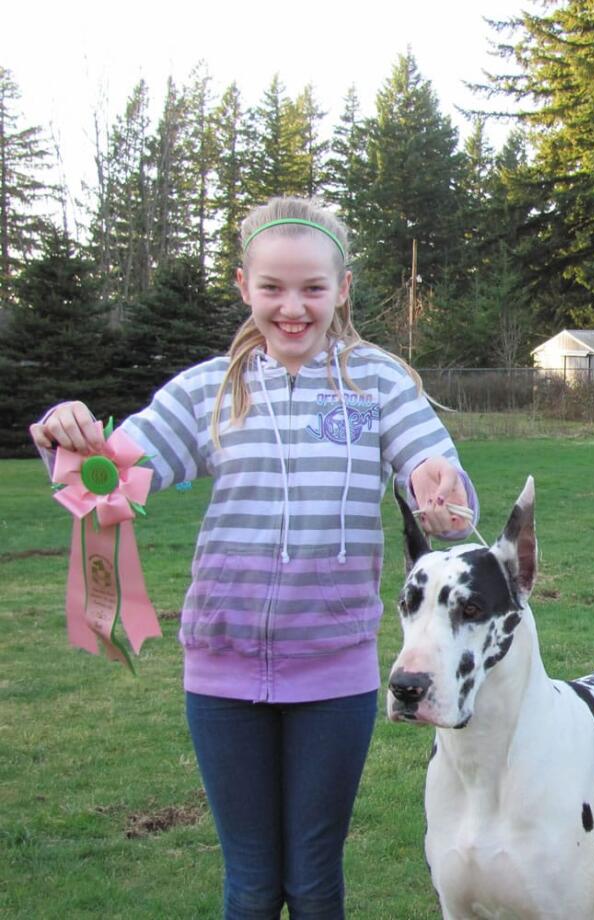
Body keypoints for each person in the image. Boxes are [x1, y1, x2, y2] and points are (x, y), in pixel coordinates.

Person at [30, 197, 478, 919]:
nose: (292, 307)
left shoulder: (379, 385)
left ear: (343, 290)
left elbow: (437, 470)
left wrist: (441, 487)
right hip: (221, 672)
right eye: (272, 288)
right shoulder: (211, 389)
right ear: (244, 286)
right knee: (248, 885)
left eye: (312, 288)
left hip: (335, 675)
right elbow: (112, 468)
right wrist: (66, 434)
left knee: (311, 882)